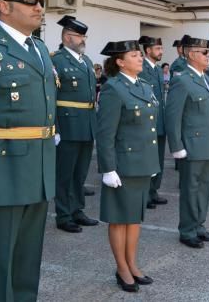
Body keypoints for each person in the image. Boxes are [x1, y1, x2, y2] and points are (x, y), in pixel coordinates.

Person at [0, 0, 56, 301]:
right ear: (4, 6)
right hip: (0, 171)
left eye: (41, 2)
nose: (39, 8)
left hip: (37, 170)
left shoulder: (39, 48)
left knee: (28, 259)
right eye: (29, 1)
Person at [97, 40, 160, 292]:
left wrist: (152, 160)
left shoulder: (144, 86)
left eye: (140, 55)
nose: (140, 58)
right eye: (134, 55)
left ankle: (132, 264)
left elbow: (149, 128)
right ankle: (121, 268)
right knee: (119, 218)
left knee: (134, 218)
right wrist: (107, 168)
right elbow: (105, 133)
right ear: (120, 62)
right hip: (123, 164)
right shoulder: (114, 88)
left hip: (142, 162)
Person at [166, 35, 209, 248]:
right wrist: (177, 147)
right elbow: (173, 116)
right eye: (204, 52)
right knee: (190, 189)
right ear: (190, 54)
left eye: (208, 52)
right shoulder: (181, 79)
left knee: (205, 187)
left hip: (208, 144)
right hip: (192, 145)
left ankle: (199, 225)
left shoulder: (205, 78)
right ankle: (187, 230)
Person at [52, 16, 98, 233]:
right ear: (67, 36)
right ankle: (63, 214)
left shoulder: (86, 61)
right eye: (80, 36)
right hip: (67, 125)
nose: (83, 40)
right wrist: (55, 129)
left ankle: (77, 210)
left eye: (84, 36)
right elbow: (50, 97)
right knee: (65, 173)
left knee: (80, 173)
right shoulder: (57, 60)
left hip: (87, 124)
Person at [138, 36, 168, 208]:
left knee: (158, 159)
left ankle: (154, 190)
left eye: (161, 48)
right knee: (148, 159)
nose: (161, 52)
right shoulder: (141, 69)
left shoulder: (157, 70)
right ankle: (145, 193)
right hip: (148, 122)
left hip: (159, 121)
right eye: (158, 49)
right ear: (148, 50)